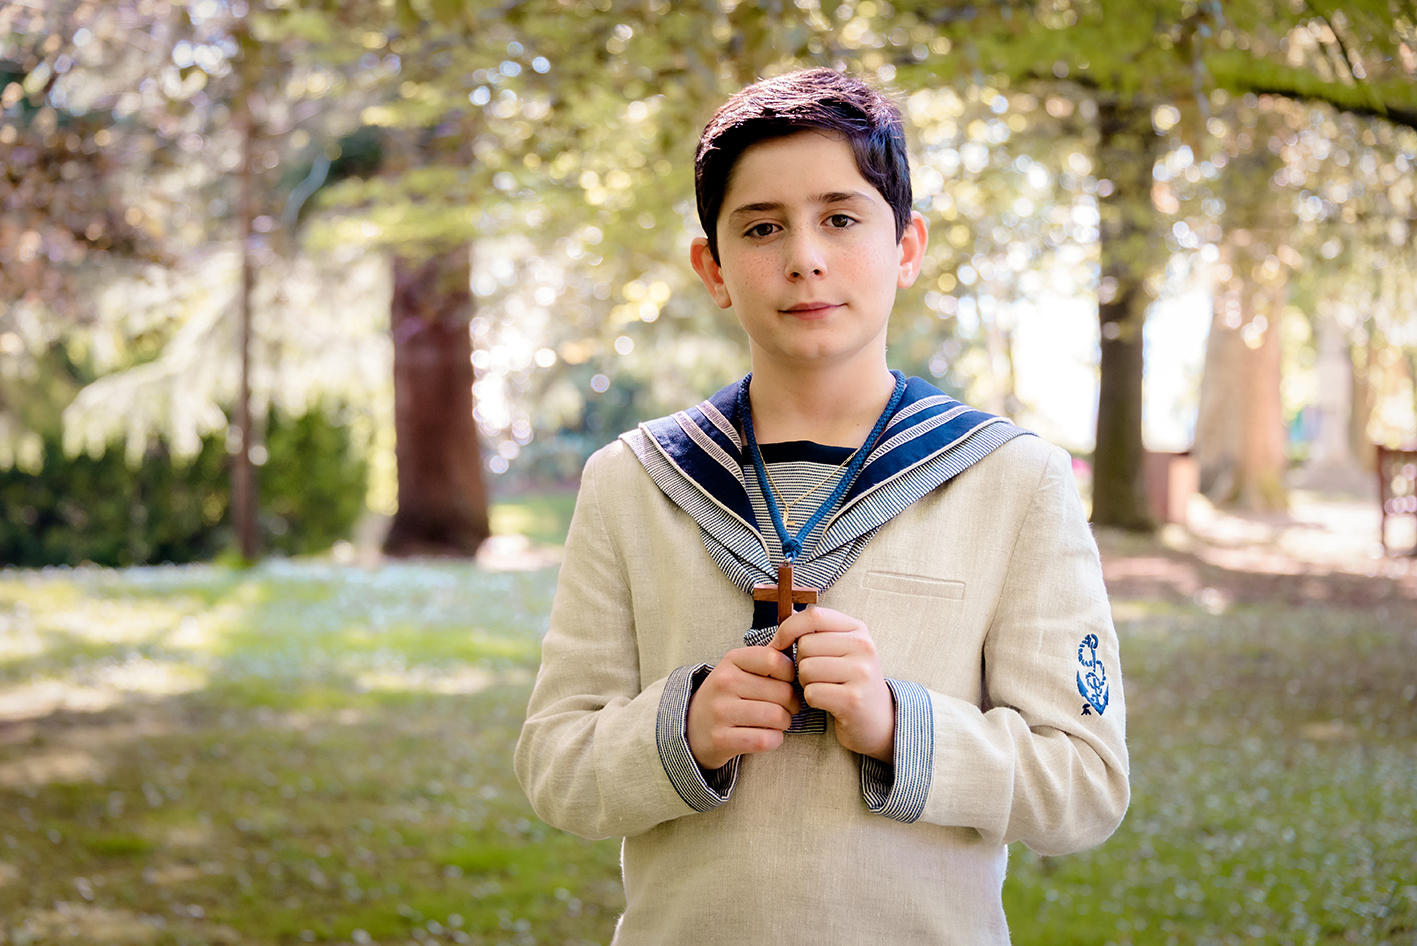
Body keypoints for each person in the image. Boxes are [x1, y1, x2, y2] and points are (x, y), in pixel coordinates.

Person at [515, 68, 1128, 944]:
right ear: (713, 267)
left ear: (906, 247)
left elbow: (1084, 785)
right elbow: (554, 764)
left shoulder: (1011, 481)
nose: (803, 255)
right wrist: (681, 730)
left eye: (840, 218)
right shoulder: (636, 481)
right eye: (762, 227)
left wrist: (896, 725)